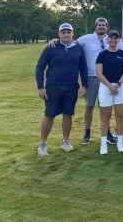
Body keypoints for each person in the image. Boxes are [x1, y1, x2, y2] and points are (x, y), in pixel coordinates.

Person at [47, 17, 115, 145]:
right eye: (99, 25)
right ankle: (87, 133)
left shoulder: (111, 39)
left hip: (106, 79)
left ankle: (107, 133)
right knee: (89, 106)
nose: (101, 27)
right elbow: (69, 43)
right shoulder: (86, 38)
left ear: (107, 27)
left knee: (105, 107)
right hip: (91, 77)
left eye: (103, 25)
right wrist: (56, 40)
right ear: (95, 27)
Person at [35, 23, 87, 156]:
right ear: (59, 34)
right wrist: (40, 87)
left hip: (71, 86)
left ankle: (65, 141)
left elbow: (83, 68)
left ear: (72, 34)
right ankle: (43, 144)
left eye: (68, 32)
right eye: (63, 32)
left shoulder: (78, 48)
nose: (66, 34)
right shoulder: (51, 46)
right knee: (49, 115)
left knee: (68, 114)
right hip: (53, 86)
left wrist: (84, 85)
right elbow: (40, 67)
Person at [96, 30, 123, 154]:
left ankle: (120, 143)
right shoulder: (102, 54)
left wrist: (118, 84)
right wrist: (110, 85)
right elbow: (99, 73)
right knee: (105, 117)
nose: (113, 40)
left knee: (120, 116)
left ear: (118, 40)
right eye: (111, 38)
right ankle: (103, 144)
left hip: (120, 86)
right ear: (107, 39)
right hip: (106, 87)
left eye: (116, 38)